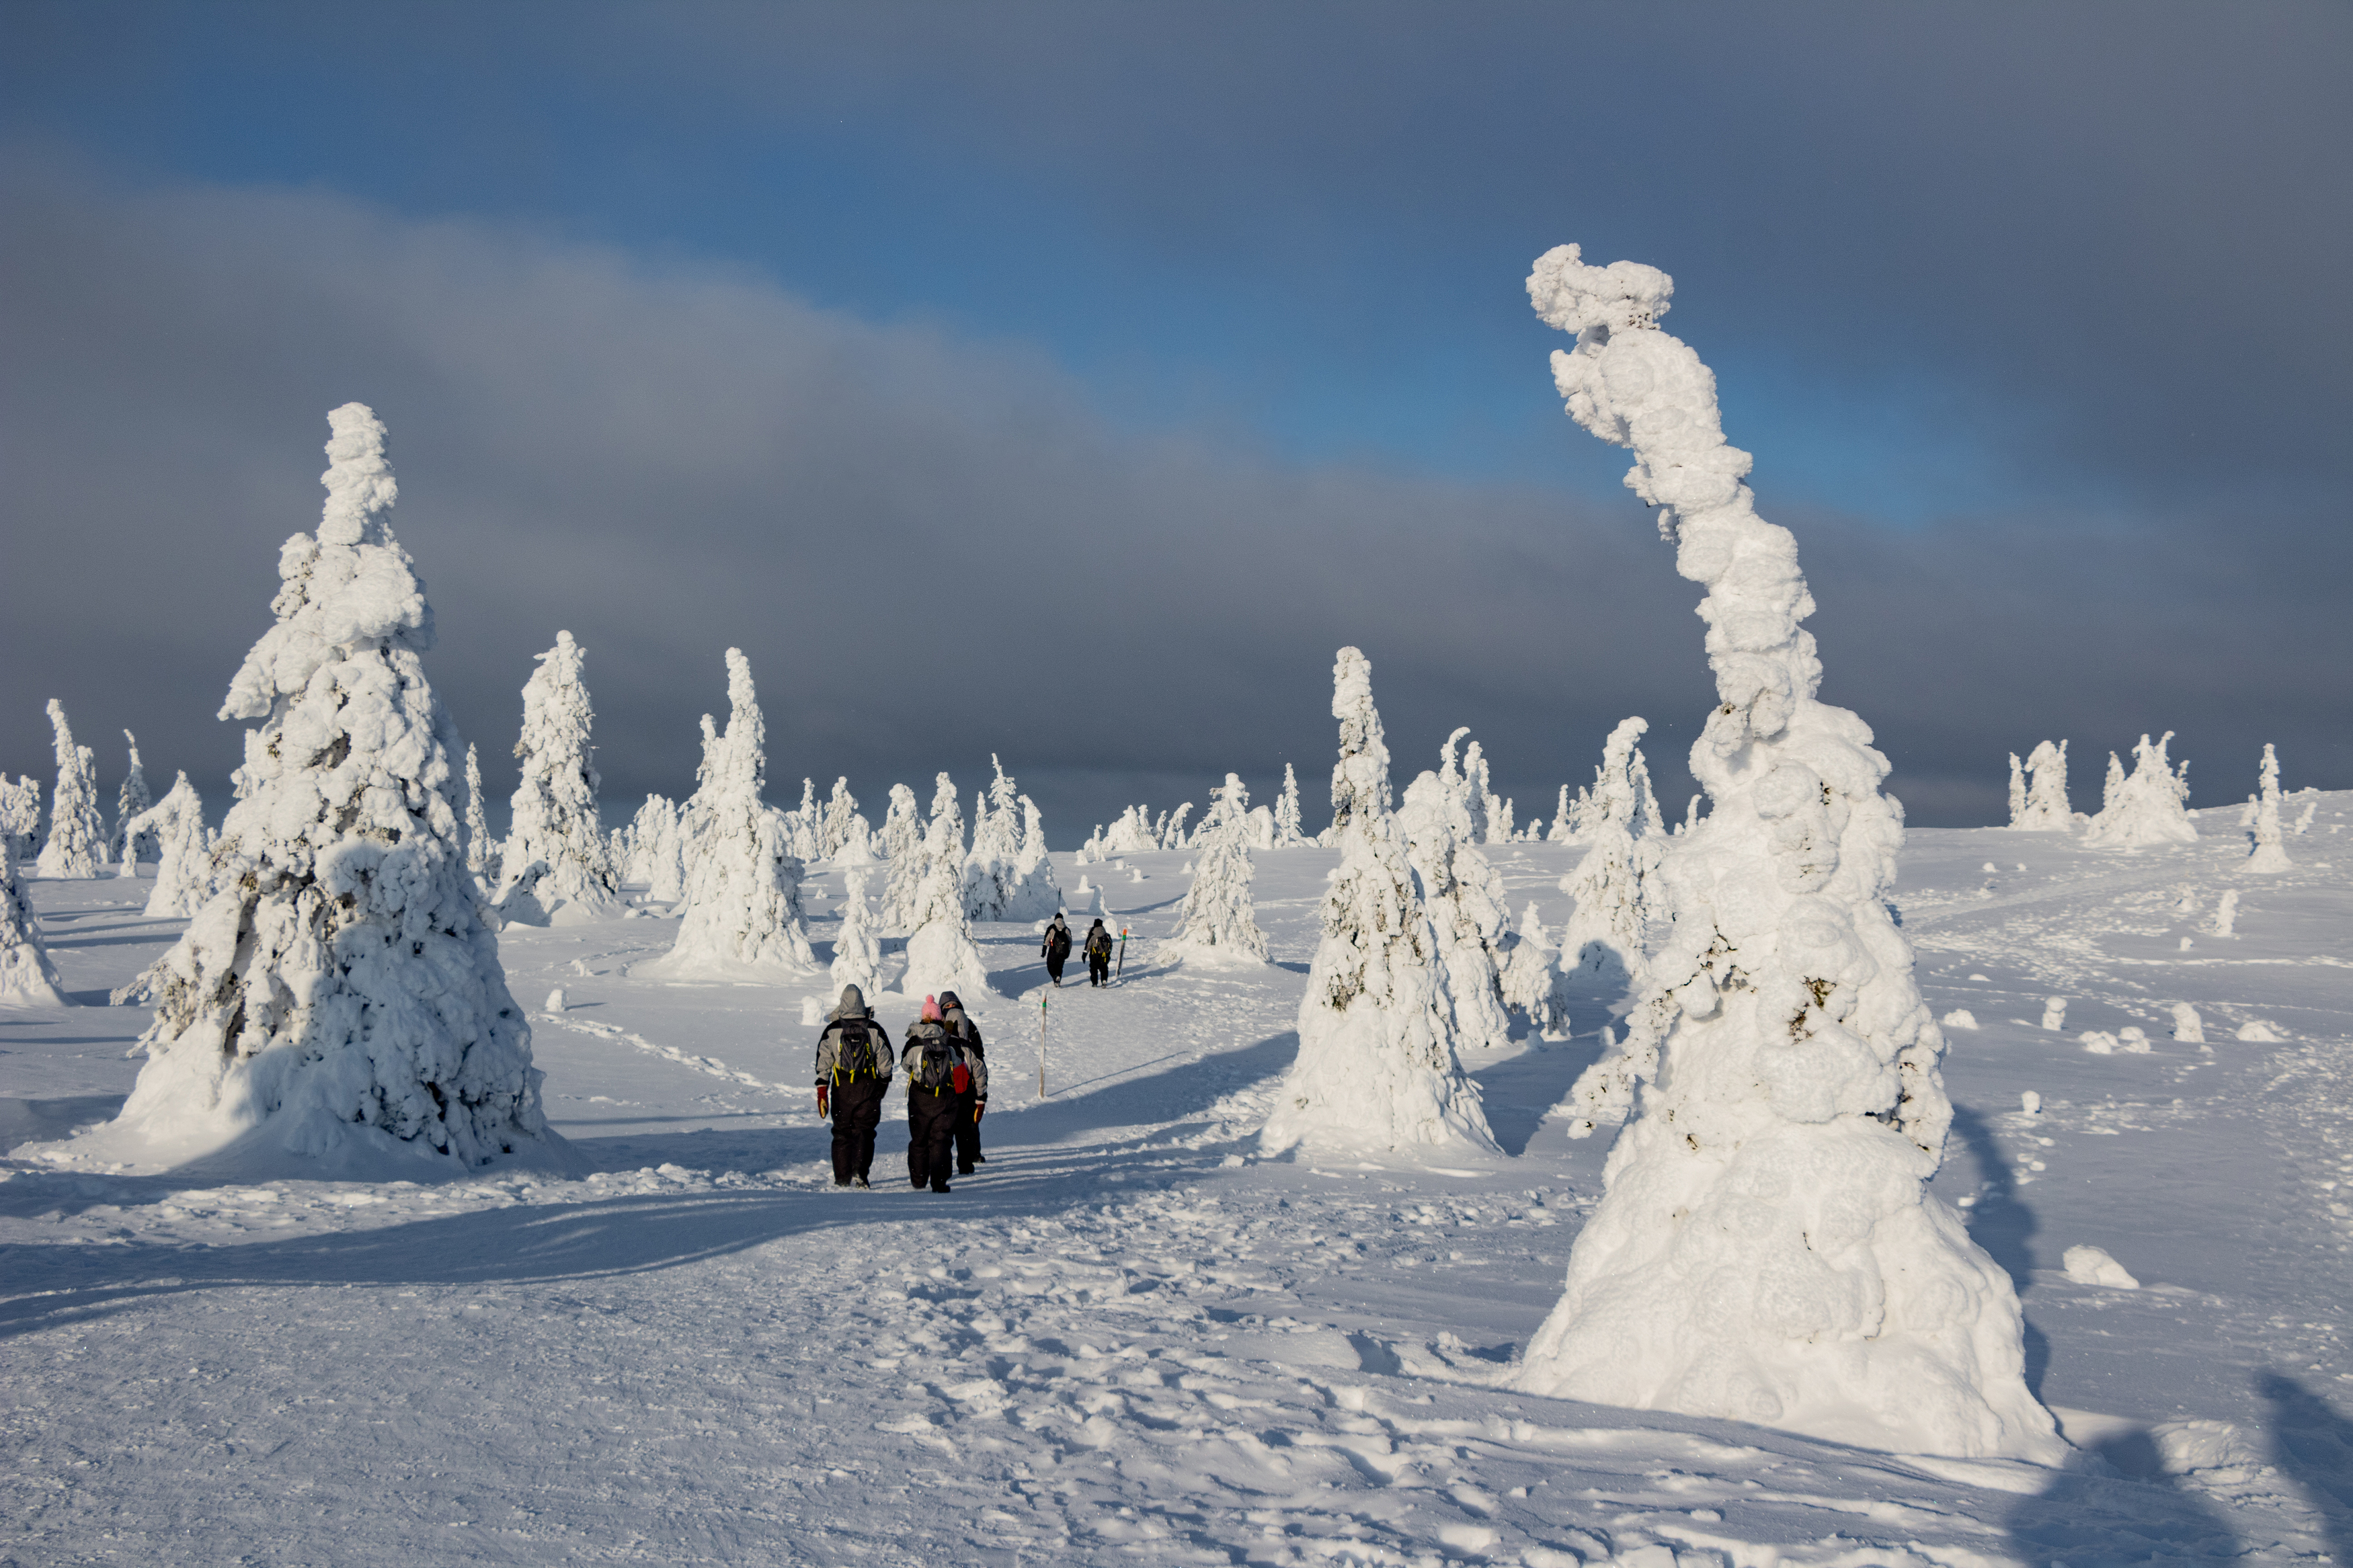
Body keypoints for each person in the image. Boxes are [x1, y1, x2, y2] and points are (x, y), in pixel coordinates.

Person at [901, 994, 985, 1193]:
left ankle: (919, 1179)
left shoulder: (915, 1041)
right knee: (941, 1140)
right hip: (945, 1098)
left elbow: (905, 1064)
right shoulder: (948, 1041)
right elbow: (959, 1068)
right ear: (940, 1018)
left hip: (920, 1097)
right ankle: (939, 1182)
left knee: (919, 1139)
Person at [813, 983, 892, 1189]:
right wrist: (882, 1085)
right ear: (862, 1003)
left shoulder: (832, 1030)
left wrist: (822, 1088)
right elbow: (886, 1061)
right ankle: (860, 1173)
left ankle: (841, 1178)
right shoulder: (874, 1030)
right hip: (869, 1087)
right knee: (865, 1132)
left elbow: (823, 1061)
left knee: (842, 1133)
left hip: (842, 1088)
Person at [939, 989, 987, 1173]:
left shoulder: (970, 1026)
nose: (951, 1008)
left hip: (969, 1078)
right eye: (947, 1006)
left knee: (970, 1122)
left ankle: (973, 1154)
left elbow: (979, 1051)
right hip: (949, 1083)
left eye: (954, 1005)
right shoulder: (940, 1027)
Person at [1041, 911, 1072, 987]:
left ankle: (1055, 977)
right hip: (1063, 952)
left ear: (1055, 919)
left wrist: (1044, 950)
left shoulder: (1052, 928)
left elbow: (1046, 940)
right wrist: (1068, 952)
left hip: (1053, 950)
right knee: (1059, 967)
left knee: (1050, 965)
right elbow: (1070, 942)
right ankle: (1058, 981)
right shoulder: (1067, 929)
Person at [1084, 917, 1114, 987]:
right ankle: (1104, 980)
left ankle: (1094, 983)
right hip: (1104, 955)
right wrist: (1108, 954)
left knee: (1093, 968)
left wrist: (1085, 953)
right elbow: (1111, 945)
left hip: (1094, 954)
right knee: (1104, 967)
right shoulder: (1106, 935)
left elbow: (1088, 945)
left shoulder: (1093, 934)